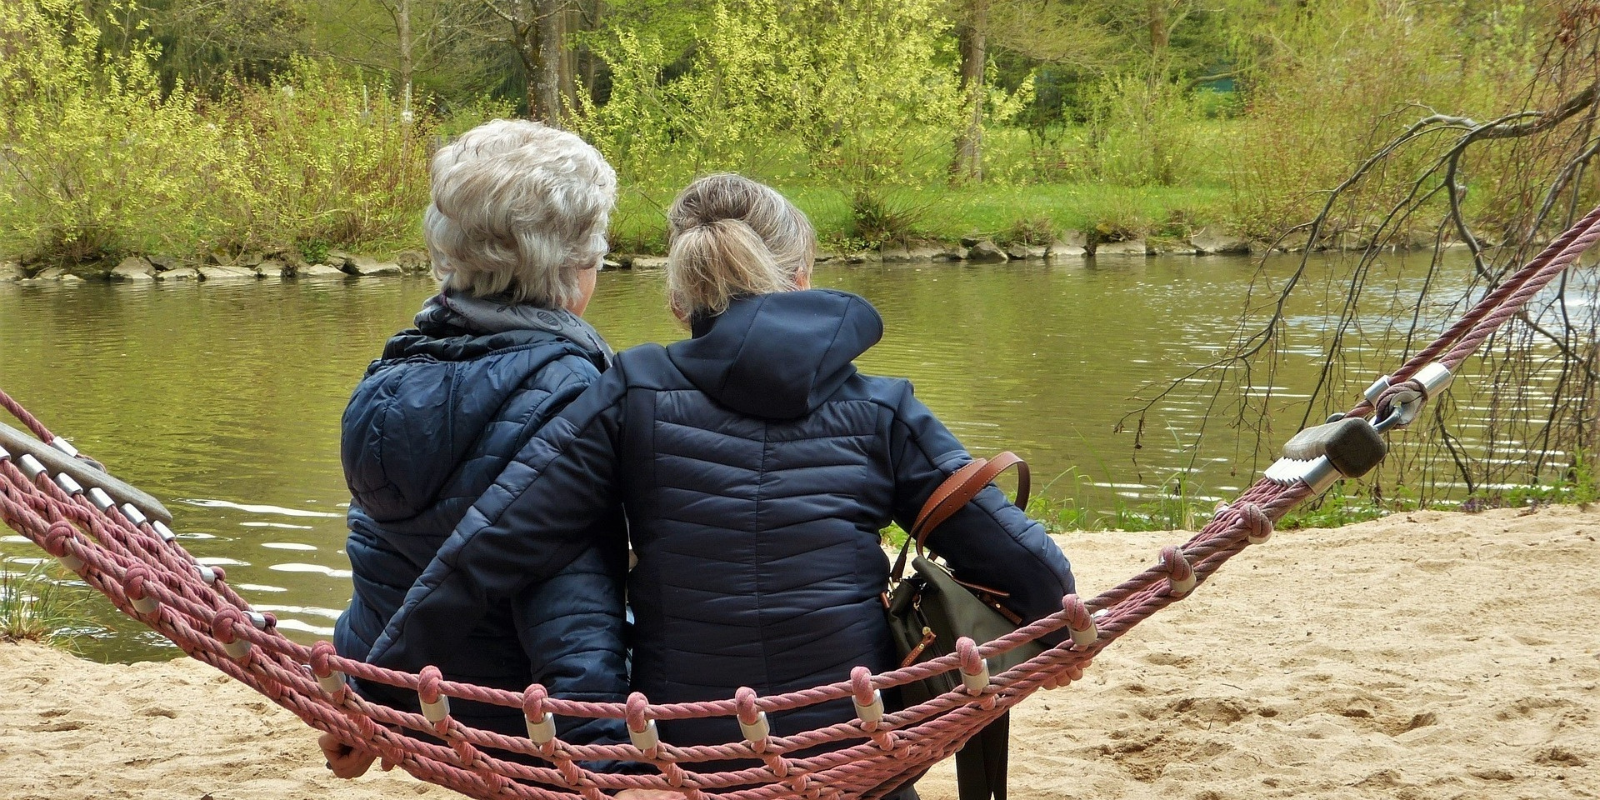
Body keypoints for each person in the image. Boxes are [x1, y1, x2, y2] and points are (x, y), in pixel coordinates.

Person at [364, 174, 1075, 798]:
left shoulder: (628, 392)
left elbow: (487, 549)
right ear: (803, 280)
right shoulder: (884, 408)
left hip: (694, 761)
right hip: (855, 756)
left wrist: (372, 698)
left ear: (680, 303)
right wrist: (1058, 638)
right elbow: (1032, 571)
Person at [322, 119, 629, 777]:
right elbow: (575, 611)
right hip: (528, 724)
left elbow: (381, 564)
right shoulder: (574, 391)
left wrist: (362, 698)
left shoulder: (386, 379)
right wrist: (603, 768)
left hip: (416, 706)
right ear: (575, 266)